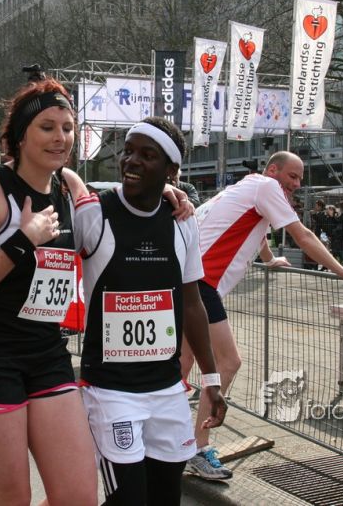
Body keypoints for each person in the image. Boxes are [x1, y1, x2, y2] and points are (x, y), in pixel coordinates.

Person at [0, 78, 98, 505]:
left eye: (68, 127)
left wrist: (167, 191)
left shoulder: (68, 185)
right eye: (47, 127)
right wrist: (23, 241)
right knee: (12, 498)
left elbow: (115, 209)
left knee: (79, 496)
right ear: (21, 135)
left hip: (45, 353)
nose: (60, 137)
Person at [68, 117, 226, 504]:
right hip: (110, 391)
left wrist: (212, 379)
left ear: (171, 170)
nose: (131, 161)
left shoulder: (182, 222)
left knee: (166, 497)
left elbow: (192, 303)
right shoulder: (94, 215)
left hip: (167, 389)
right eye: (128, 151)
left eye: (147, 155)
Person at [180, 151, 343, 479]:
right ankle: (196, 448)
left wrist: (267, 259)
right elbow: (303, 235)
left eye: (300, 179)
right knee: (228, 362)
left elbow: (256, 228)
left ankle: (164, 440)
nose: (297, 184)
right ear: (273, 170)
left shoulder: (249, 186)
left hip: (188, 279)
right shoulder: (267, 187)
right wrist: (342, 271)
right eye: (292, 176)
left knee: (182, 364)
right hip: (202, 284)